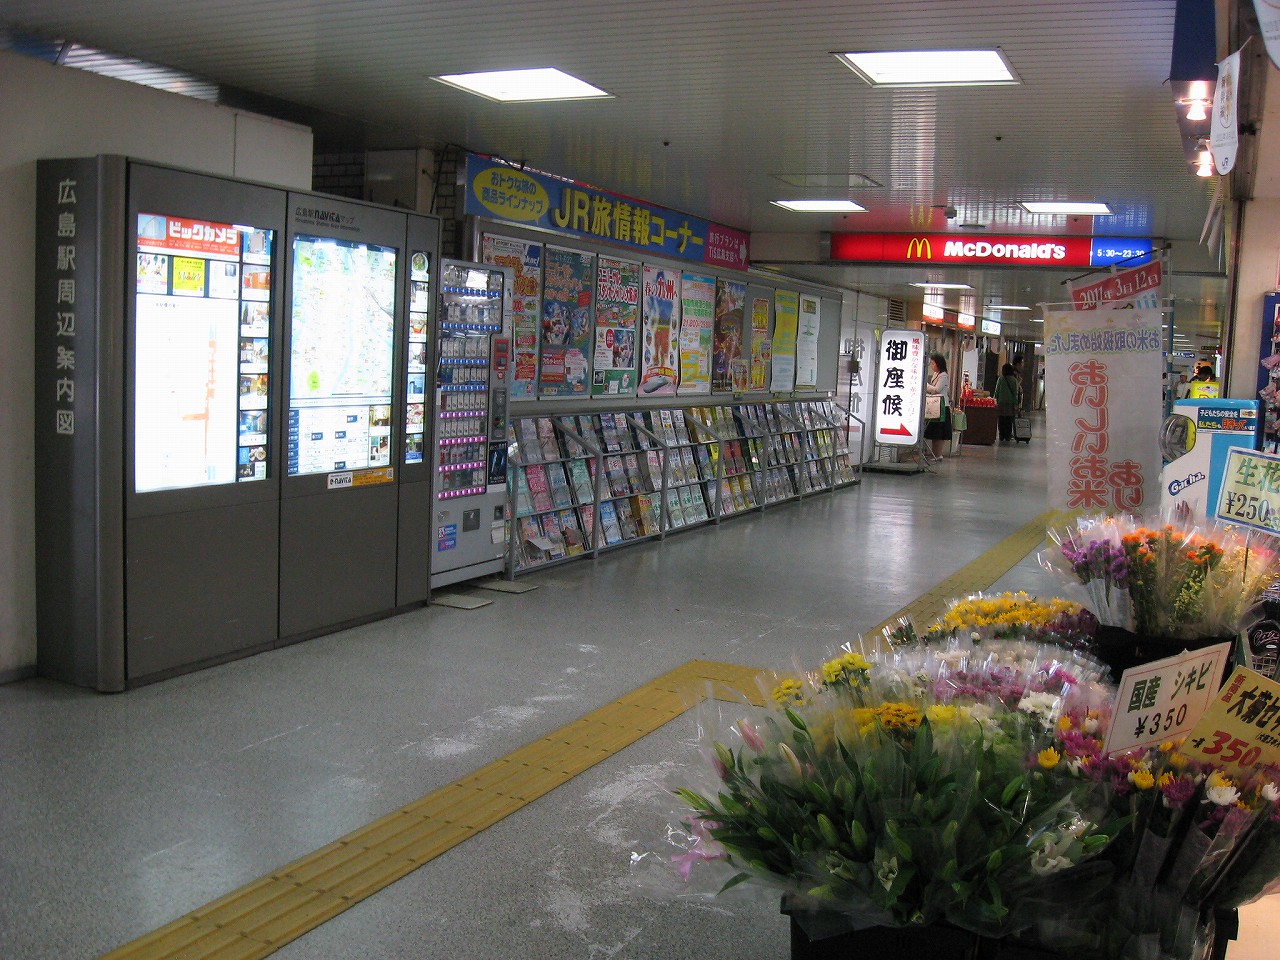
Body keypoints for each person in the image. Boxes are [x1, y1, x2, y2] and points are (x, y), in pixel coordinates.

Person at [923, 353, 952, 459]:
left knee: (939, 433)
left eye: (933, 363)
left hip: (942, 406)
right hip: (934, 405)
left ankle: (938, 454)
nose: (932, 366)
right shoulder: (936, 374)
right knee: (934, 433)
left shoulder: (943, 375)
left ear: (938, 364)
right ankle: (934, 454)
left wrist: (926, 385)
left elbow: (937, 390)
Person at [993, 362, 1022, 443]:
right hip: (1010, 403)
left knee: (1001, 419)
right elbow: (1015, 393)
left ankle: (1001, 435)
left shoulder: (1000, 379)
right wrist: (1016, 404)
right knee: (1009, 420)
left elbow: (997, 391)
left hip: (1001, 402)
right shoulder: (1014, 380)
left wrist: (995, 400)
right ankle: (1008, 436)